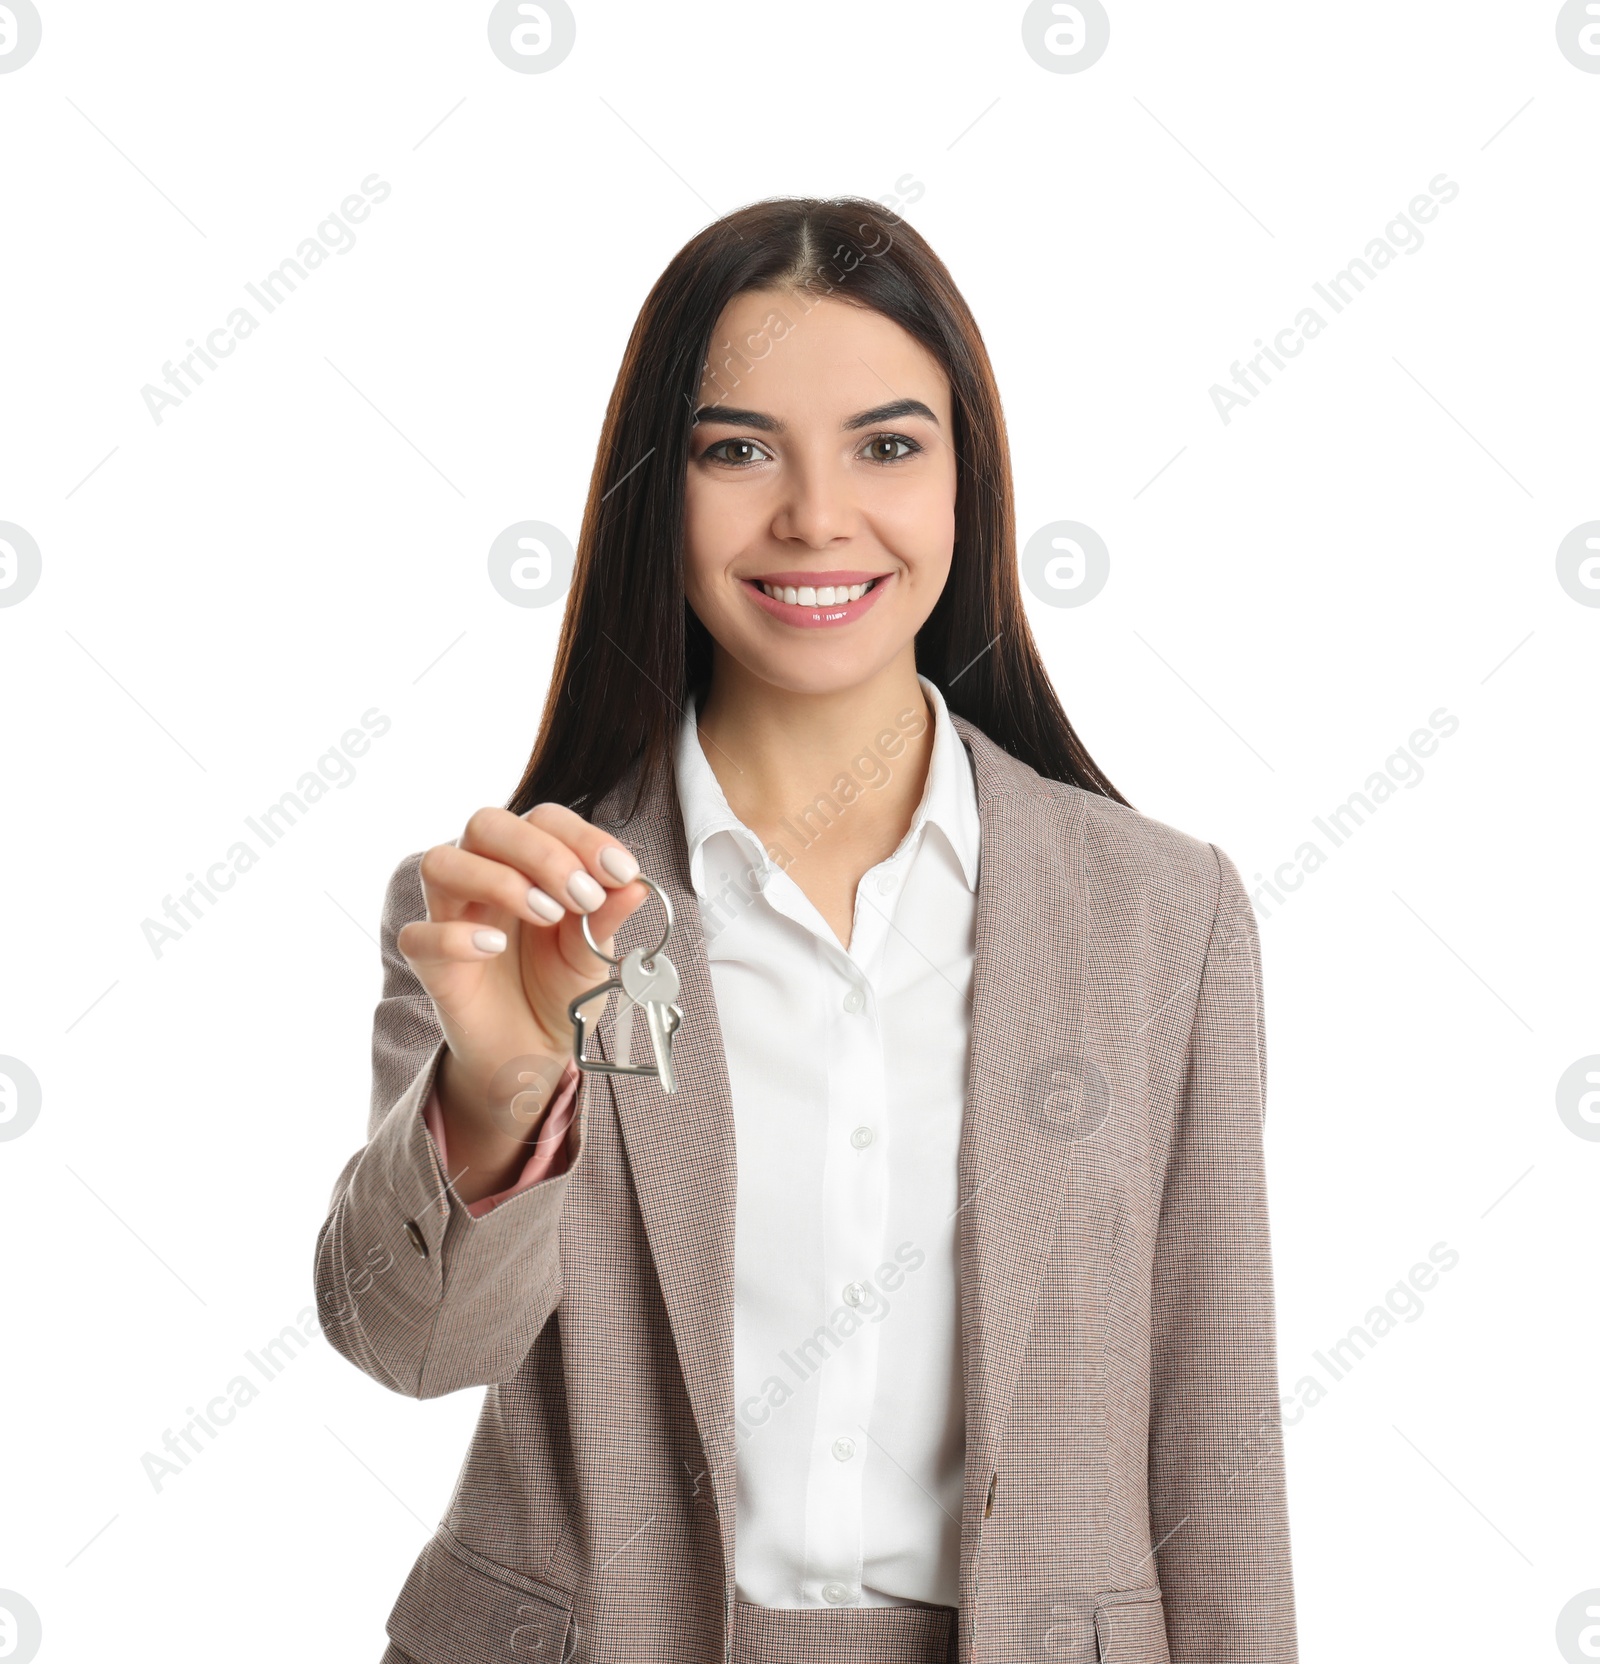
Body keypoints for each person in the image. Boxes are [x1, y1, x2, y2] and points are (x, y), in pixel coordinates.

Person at [315, 196, 1298, 1664]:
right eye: (738, 450)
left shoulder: (1165, 915)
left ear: (968, 484)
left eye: (888, 446)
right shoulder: (514, 907)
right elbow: (416, 1345)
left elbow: (1214, 1441)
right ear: (664, 486)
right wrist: (506, 1087)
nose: (816, 517)